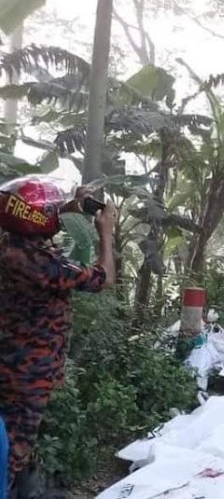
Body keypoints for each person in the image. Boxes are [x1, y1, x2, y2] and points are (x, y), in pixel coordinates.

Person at [0, 177, 116, 496]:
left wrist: (69, 206)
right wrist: (106, 232)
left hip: (11, 362)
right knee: (14, 450)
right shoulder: (45, 264)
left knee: (10, 440)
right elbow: (104, 278)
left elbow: (28, 216)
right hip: (29, 375)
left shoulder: (10, 244)